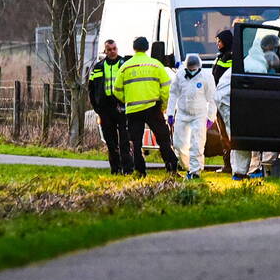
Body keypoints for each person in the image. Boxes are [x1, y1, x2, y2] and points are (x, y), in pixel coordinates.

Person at [113, 36, 179, 177]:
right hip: (153, 108)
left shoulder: (125, 67)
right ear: (147, 48)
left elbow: (116, 90)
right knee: (163, 139)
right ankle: (171, 167)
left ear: (134, 48)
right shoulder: (156, 65)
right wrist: (164, 106)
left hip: (133, 110)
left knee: (136, 143)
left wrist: (128, 99)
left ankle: (140, 171)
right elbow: (167, 88)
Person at [168, 53, 217, 179]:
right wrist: (170, 113)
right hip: (182, 113)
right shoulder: (180, 75)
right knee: (179, 144)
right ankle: (188, 167)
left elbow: (212, 98)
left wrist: (211, 117)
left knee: (197, 143)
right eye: (190, 69)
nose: (192, 71)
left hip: (199, 114)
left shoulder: (206, 76)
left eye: (194, 69)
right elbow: (173, 93)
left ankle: (195, 171)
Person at [87, 39, 132, 175]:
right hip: (105, 109)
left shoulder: (124, 64)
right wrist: (97, 108)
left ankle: (128, 169)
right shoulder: (98, 67)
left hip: (122, 106)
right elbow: (91, 88)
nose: (112, 51)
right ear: (105, 51)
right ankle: (115, 169)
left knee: (125, 141)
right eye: (109, 49)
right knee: (111, 142)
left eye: (114, 49)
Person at [215, 67, 262, 179]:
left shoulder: (247, 64)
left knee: (237, 135)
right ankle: (241, 172)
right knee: (241, 135)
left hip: (227, 99)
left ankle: (239, 171)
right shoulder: (256, 66)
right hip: (230, 101)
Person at [212, 29, 233, 173]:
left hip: (227, 100)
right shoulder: (220, 56)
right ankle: (228, 164)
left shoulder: (229, 57)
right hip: (219, 99)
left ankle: (230, 165)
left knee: (227, 133)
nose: (217, 44)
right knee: (223, 134)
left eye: (219, 41)